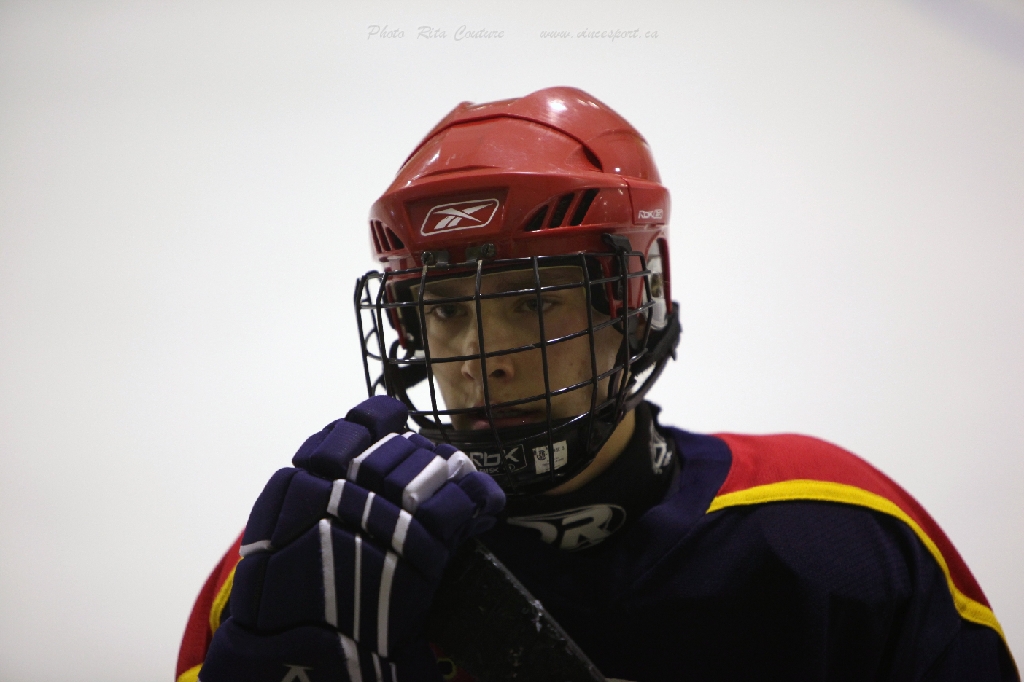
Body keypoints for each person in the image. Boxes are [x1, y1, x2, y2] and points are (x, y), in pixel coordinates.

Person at [176, 87, 1018, 681]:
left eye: (533, 301)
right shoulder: (308, 569)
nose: (480, 357)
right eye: (445, 310)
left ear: (634, 303)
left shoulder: (833, 537)